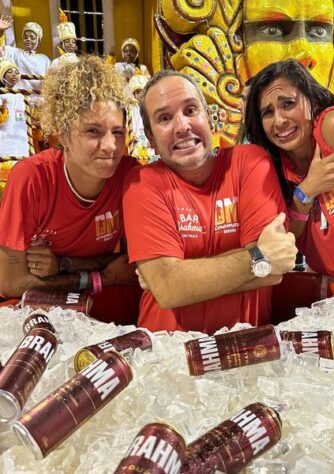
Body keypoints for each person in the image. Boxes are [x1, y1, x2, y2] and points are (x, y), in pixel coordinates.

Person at [123, 70, 297, 334]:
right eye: (165, 118)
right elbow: (170, 289)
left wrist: (180, 277)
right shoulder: (142, 183)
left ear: (210, 117)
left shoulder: (249, 161)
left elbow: (275, 270)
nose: (182, 126)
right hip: (167, 354)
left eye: (191, 110)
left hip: (247, 351)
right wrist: (259, 257)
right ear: (150, 138)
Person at [0, 55, 141, 324]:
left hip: (93, 298)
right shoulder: (32, 177)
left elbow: (132, 265)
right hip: (42, 308)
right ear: (63, 134)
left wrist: (63, 264)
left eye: (118, 132)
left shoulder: (130, 175)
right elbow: (11, 282)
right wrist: (98, 276)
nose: (111, 146)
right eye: (93, 131)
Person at [244, 59, 334, 283]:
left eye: (287, 104)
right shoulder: (272, 166)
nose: (279, 121)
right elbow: (282, 243)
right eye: (267, 113)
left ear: (313, 100)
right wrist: (306, 191)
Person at [0, 17, 50, 91]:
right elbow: (1, 50)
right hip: (18, 97)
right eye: (25, 37)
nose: (28, 39)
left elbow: (50, 81)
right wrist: (1, 31)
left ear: (38, 41)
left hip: (39, 98)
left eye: (32, 38)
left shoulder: (45, 59)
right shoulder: (15, 53)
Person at [127, 74, 158, 164]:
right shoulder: (132, 107)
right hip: (137, 138)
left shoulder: (151, 105)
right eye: (137, 92)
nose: (139, 95)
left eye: (141, 91)